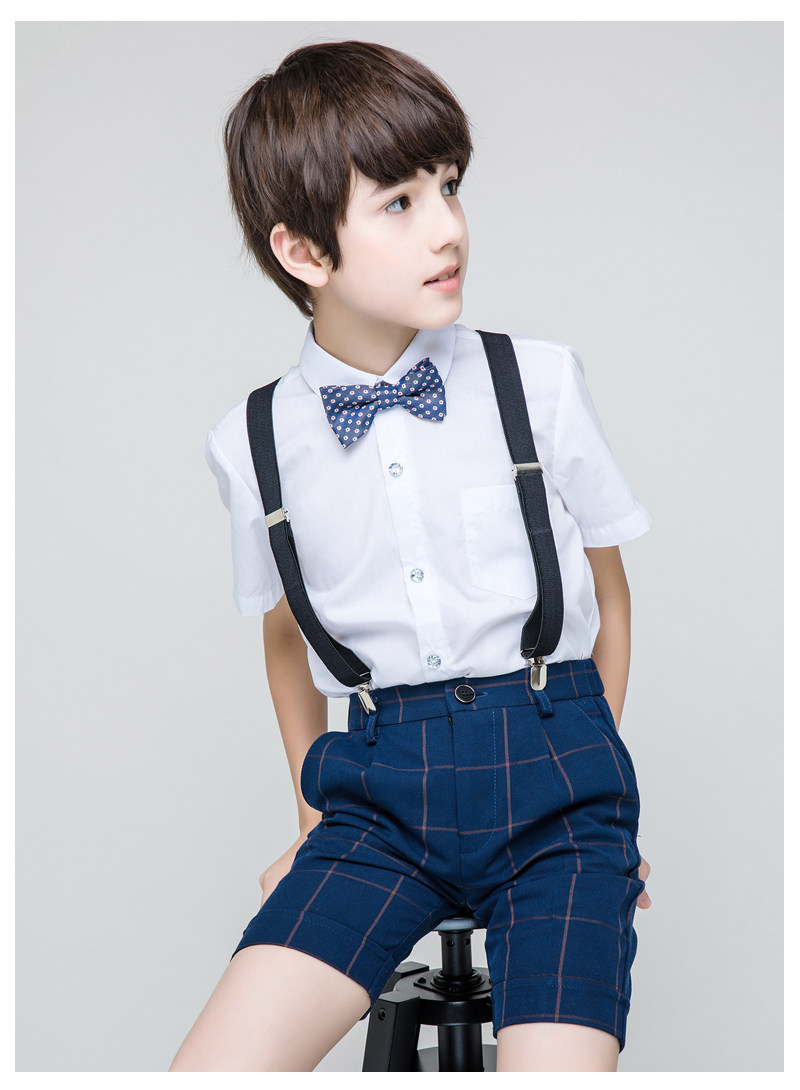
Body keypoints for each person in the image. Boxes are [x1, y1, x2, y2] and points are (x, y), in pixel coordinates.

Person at [169, 39, 653, 1073]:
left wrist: (595, 793)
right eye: (399, 202)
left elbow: (609, 601)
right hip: (378, 799)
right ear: (305, 252)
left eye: (449, 185)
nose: (448, 227)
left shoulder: (538, 381)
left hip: (561, 788)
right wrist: (314, 821)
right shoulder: (252, 440)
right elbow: (284, 642)